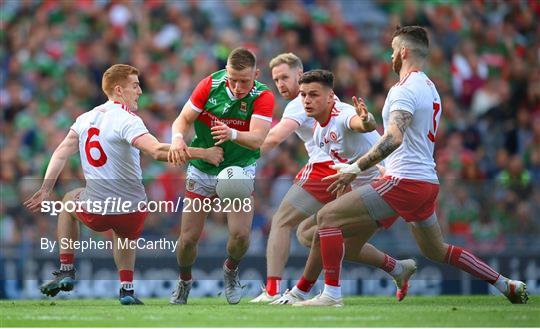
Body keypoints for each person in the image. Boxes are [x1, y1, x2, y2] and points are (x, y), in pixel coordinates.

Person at [294, 26, 528, 307]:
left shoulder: (403, 89)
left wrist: (356, 168)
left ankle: (331, 295)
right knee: (436, 250)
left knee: (327, 218)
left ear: (403, 52)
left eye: (393, 51)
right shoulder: (430, 87)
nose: (391, 56)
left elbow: (394, 138)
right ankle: (506, 284)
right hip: (426, 181)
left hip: (404, 181)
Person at [24, 64, 224, 305]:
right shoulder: (128, 120)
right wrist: (203, 153)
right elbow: (158, 151)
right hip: (133, 211)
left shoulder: (85, 118)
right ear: (119, 90)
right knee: (124, 231)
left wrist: (46, 189)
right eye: (135, 85)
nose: (140, 91)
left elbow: (61, 152)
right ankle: (126, 290)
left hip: (96, 210)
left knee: (68, 201)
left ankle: (66, 269)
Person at [250, 54, 416, 303]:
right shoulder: (319, 129)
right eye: (276, 79)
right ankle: (396, 268)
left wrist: (367, 120)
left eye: (285, 77)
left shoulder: (334, 113)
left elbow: (359, 123)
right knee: (316, 236)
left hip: (379, 185)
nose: (281, 84)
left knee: (296, 224)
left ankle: (299, 291)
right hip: (353, 179)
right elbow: (345, 165)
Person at [167, 47, 275, 305]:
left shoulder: (264, 96)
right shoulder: (209, 85)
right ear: (226, 72)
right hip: (203, 168)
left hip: (238, 169)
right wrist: (177, 139)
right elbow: (181, 120)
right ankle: (184, 281)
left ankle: (231, 270)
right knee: (187, 239)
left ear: (256, 75)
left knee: (241, 235)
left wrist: (232, 134)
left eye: (244, 81)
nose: (238, 87)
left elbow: (259, 138)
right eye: (233, 79)